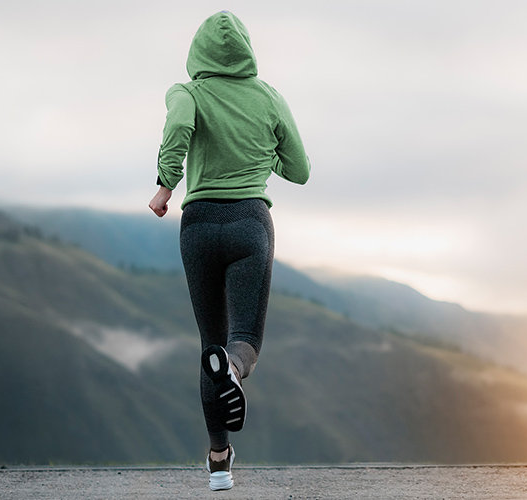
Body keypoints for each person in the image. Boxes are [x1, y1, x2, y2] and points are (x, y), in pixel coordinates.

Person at [148, 10, 310, 491]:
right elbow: (299, 169)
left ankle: (220, 461)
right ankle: (235, 370)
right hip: (248, 224)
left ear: (197, 53)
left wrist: (164, 185)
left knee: (209, 343)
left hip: (198, 227)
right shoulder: (268, 97)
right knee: (242, 342)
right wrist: (262, 152)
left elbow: (178, 127)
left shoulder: (187, 93)